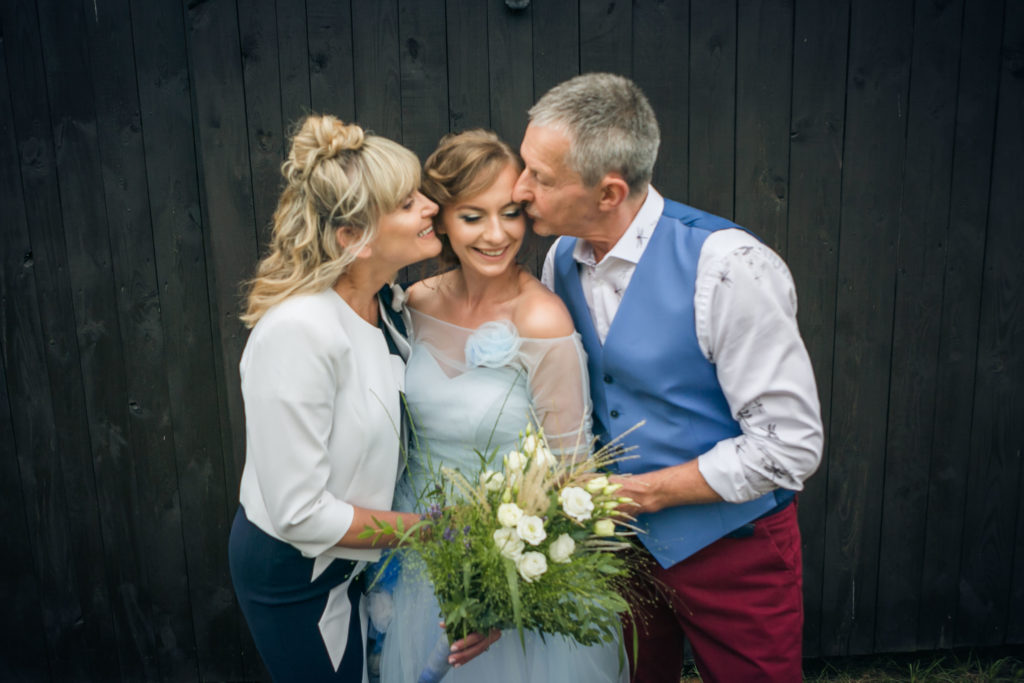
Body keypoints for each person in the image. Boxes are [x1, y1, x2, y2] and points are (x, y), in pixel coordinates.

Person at [512, 73, 824, 682]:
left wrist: (644, 494)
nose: (520, 190)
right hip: (616, 554)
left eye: (541, 178)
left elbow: (790, 447)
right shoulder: (559, 260)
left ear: (609, 192)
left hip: (734, 550)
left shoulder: (729, 268)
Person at [228, 114, 494, 682]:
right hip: (298, 575)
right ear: (352, 236)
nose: (429, 207)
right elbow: (299, 512)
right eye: (406, 202)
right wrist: (426, 530)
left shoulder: (387, 307)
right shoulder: (298, 332)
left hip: (358, 560)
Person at [378, 129, 627, 683]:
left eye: (511, 213)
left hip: (509, 562)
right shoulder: (412, 305)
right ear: (439, 218)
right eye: (473, 216)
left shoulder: (541, 319)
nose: (497, 235)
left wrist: (496, 586)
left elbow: (573, 473)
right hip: (421, 545)